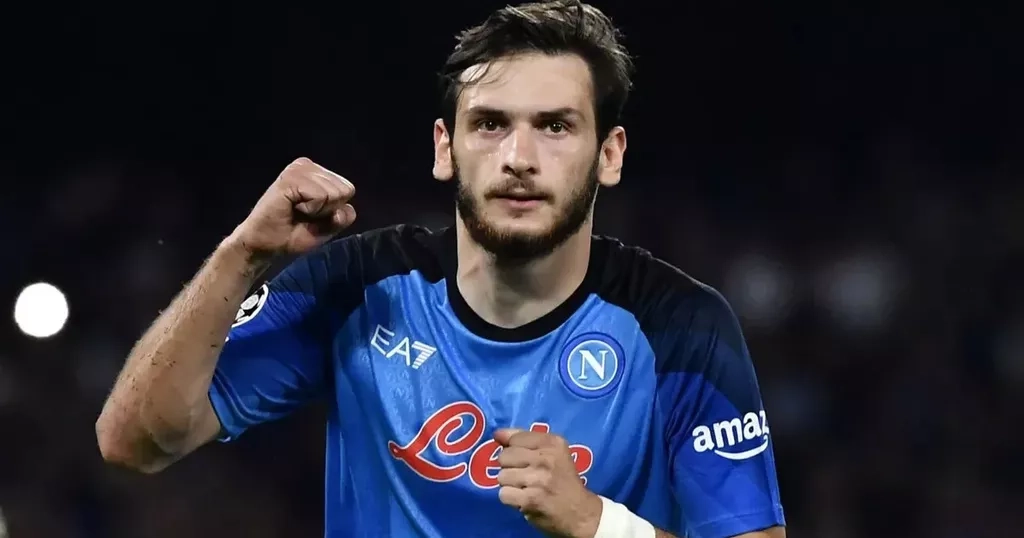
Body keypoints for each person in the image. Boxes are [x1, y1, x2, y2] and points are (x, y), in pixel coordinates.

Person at [95, 1, 786, 537]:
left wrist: (598, 524)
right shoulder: (359, 287)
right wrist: (241, 255)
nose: (518, 158)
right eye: (489, 124)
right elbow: (135, 440)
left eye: (555, 126)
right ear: (444, 148)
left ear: (609, 154)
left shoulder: (680, 326)